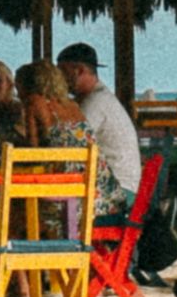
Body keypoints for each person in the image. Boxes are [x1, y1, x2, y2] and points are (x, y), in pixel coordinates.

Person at [55, 41, 140, 224]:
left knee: (50, 208)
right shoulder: (97, 98)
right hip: (118, 187)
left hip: (118, 193)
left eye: (61, 73)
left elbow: (71, 145)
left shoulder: (95, 102)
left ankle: (65, 251)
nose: (58, 80)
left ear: (78, 71)